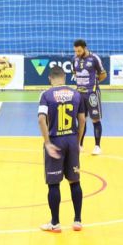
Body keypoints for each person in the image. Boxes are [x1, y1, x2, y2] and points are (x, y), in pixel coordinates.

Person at [38, 66, 87, 232]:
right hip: (72, 140)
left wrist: (47, 143)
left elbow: (41, 119)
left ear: (50, 78)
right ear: (64, 78)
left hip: (56, 141)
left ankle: (55, 223)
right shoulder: (76, 94)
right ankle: (78, 220)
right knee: (75, 181)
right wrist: (78, 142)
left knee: (54, 184)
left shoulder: (46, 95)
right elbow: (82, 120)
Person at [72, 39, 107, 155]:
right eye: (76, 51)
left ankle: (97, 146)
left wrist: (94, 83)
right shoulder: (74, 59)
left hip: (92, 94)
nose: (77, 53)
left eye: (79, 51)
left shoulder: (94, 58)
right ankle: (80, 145)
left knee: (95, 119)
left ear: (85, 48)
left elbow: (103, 74)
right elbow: (75, 74)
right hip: (79, 95)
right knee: (81, 119)